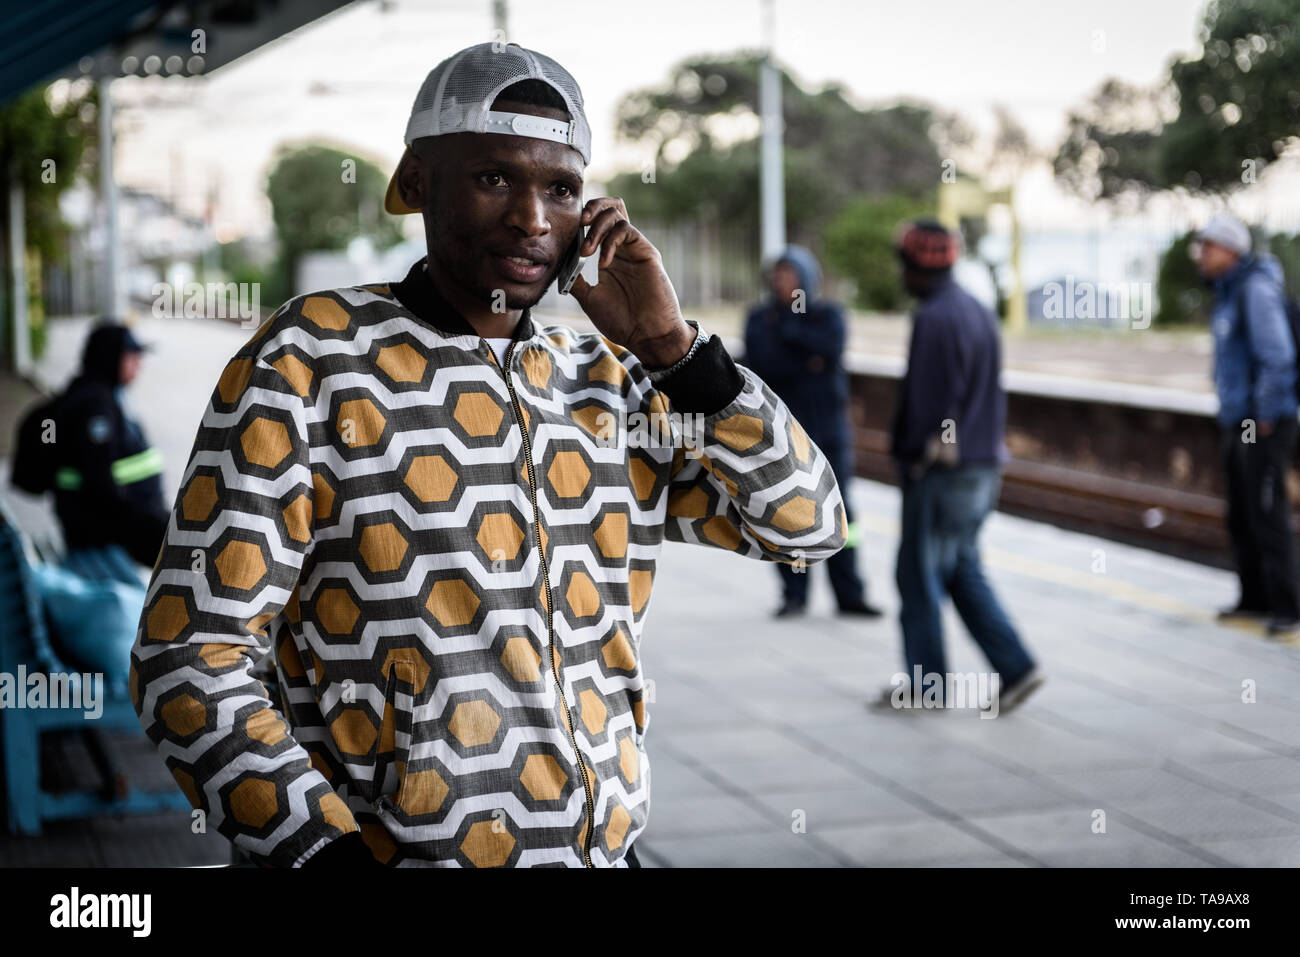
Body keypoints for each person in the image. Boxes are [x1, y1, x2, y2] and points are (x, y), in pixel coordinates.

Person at [130, 41, 847, 869]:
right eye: (494, 178)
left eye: (562, 189)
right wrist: (320, 852)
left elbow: (808, 524)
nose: (532, 219)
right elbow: (188, 656)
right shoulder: (311, 359)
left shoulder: (606, 384)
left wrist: (673, 348)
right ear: (416, 183)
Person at [878, 219, 1043, 714]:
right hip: (982, 466)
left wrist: (911, 457)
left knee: (919, 576)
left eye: (903, 264)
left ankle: (927, 686)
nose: (900, 274)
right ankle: (1016, 667)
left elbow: (932, 403)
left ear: (917, 267)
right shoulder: (975, 310)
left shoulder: (934, 318)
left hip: (943, 472)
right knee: (961, 569)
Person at [742, 246, 883, 618]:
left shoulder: (828, 314)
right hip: (781, 435)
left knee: (842, 516)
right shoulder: (759, 319)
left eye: (789, 273)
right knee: (785, 511)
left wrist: (790, 332)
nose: (781, 281)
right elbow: (766, 363)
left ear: (807, 277)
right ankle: (794, 595)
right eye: (777, 274)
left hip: (829, 433)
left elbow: (830, 349)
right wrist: (807, 357)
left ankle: (850, 594)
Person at [1193, 213, 1300, 636]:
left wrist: (1266, 414)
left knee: (1268, 509)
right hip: (1239, 420)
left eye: (1208, 247)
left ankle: (1288, 606)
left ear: (1231, 250)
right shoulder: (1227, 292)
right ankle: (1254, 599)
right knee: (1242, 510)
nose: (1201, 255)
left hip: (1263, 422)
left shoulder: (1254, 290)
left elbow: (1278, 357)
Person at [11, 321, 168, 585]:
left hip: (108, 531)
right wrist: (152, 526)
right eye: (132, 355)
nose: (138, 363)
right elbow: (100, 484)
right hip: (103, 536)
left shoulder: (99, 395)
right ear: (111, 357)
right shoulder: (94, 406)